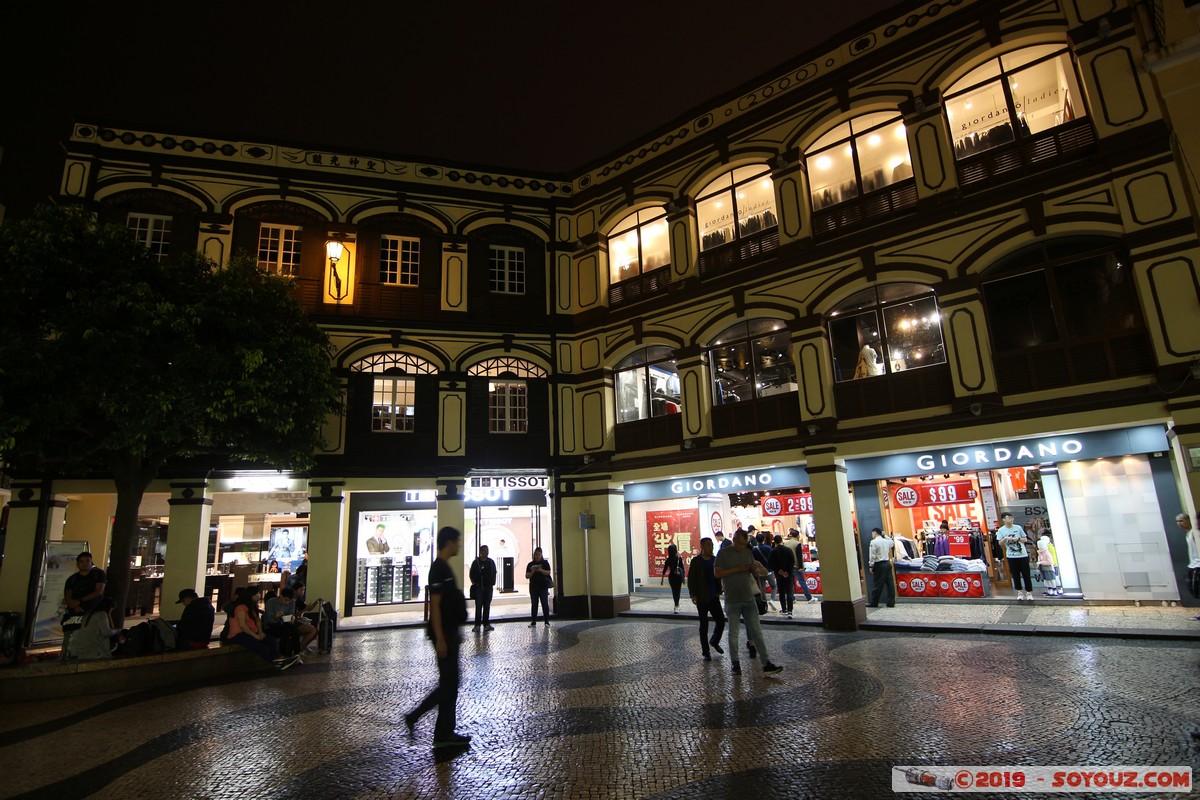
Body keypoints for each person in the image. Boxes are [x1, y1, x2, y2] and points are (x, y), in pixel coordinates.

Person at [404, 526, 471, 748]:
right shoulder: (438, 569)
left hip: (450, 633)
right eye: (457, 541)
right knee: (448, 684)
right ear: (449, 542)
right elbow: (436, 606)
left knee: (451, 683)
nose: (459, 545)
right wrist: (441, 638)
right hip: (444, 635)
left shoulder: (444, 567)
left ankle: (444, 731)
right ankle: (418, 717)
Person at [713, 530, 783, 676]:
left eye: (744, 544)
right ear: (733, 540)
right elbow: (717, 573)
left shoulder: (747, 552)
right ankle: (735, 663)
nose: (741, 547)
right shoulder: (723, 553)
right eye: (739, 544)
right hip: (732, 600)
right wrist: (736, 569)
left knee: (757, 632)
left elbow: (756, 572)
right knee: (733, 633)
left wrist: (756, 569)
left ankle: (766, 663)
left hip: (749, 598)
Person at [228, 586, 295, 670]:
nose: (259, 595)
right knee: (257, 646)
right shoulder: (241, 607)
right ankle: (275, 661)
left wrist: (260, 632)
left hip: (251, 631)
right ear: (251, 595)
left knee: (270, 640)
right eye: (257, 593)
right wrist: (255, 635)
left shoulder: (253, 606)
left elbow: (258, 620)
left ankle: (279, 658)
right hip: (238, 634)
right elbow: (242, 625)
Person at [686, 537, 725, 661]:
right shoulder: (696, 561)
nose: (711, 547)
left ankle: (714, 640)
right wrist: (693, 594)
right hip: (702, 597)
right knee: (704, 625)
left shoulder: (715, 560)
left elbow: (719, 576)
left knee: (721, 621)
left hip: (714, 596)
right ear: (702, 547)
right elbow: (691, 579)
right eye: (708, 545)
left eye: (712, 545)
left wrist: (720, 590)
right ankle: (705, 651)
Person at [996, 512, 1033, 601]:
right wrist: (1005, 539)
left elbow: (1025, 539)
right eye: (1008, 518)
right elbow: (999, 543)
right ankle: (1019, 592)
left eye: (1012, 518)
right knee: (1015, 575)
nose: (1011, 519)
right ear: (1004, 519)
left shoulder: (1018, 527)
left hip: (1022, 555)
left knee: (1026, 574)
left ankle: (1029, 593)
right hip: (1011, 556)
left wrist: (1018, 539)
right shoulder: (1001, 530)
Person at [264, 586, 303, 657]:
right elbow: (269, 620)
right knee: (289, 629)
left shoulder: (292, 603)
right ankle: (293, 652)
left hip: (285, 626)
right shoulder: (271, 602)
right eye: (286, 600)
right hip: (271, 626)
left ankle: (288, 653)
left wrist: (292, 618)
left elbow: (291, 614)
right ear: (281, 596)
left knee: (291, 629)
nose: (287, 603)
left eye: (289, 601)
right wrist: (275, 616)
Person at [469, 544, 497, 632]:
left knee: (487, 606)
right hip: (478, 587)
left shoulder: (491, 562)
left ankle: (486, 624)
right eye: (484, 550)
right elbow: (471, 574)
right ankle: (477, 625)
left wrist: (492, 583)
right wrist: (475, 583)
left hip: (488, 587)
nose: (486, 552)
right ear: (481, 552)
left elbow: (494, 572)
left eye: (487, 550)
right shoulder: (476, 562)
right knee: (478, 606)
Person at [1176, 513, 1200, 613]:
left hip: (1198, 565)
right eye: (1177, 522)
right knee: (1195, 591)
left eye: (1181, 520)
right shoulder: (1188, 534)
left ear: (1188, 520)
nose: (1179, 523)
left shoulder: (1193, 533)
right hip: (1193, 565)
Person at [866, 527, 896, 608]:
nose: (872, 535)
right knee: (890, 584)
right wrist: (885, 535)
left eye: (872, 533)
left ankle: (874, 602)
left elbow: (872, 555)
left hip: (879, 565)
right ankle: (891, 602)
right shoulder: (886, 541)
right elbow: (892, 542)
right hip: (887, 563)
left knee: (877, 584)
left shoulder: (873, 542)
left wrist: (871, 565)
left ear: (875, 533)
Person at [767, 535, 796, 618]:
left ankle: (784, 609)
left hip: (779, 575)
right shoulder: (788, 550)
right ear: (781, 540)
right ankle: (790, 610)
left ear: (774, 541)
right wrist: (787, 571)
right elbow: (792, 561)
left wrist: (779, 571)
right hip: (789, 574)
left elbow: (770, 563)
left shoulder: (773, 551)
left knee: (781, 592)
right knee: (789, 591)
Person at [526, 547, 553, 627]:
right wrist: (533, 571)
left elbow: (548, 573)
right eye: (535, 554)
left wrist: (540, 570)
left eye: (538, 554)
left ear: (541, 555)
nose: (537, 556)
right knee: (534, 604)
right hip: (533, 587)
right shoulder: (530, 564)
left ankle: (546, 621)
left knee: (544, 603)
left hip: (543, 587)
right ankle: (533, 621)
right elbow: (527, 576)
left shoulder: (545, 563)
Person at [660, 543, 685, 613]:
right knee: (678, 591)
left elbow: (664, 569)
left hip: (671, 577)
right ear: (675, 550)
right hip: (678, 577)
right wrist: (683, 578)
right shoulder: (679, 558)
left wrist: (662, 579)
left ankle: (676, 605)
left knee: (674, 591)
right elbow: (682, 569)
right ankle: (677, 605)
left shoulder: (668, 559)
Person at [1035, 532, 1061, 597]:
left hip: (1052, 565)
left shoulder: (1048, 549)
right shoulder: (1045, 549)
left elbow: (1050, 559)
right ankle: (1051, 589)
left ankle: (1057, 589)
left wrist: (1041, 562)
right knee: (1048, 579)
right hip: (1048, 565)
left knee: (1054, 578)